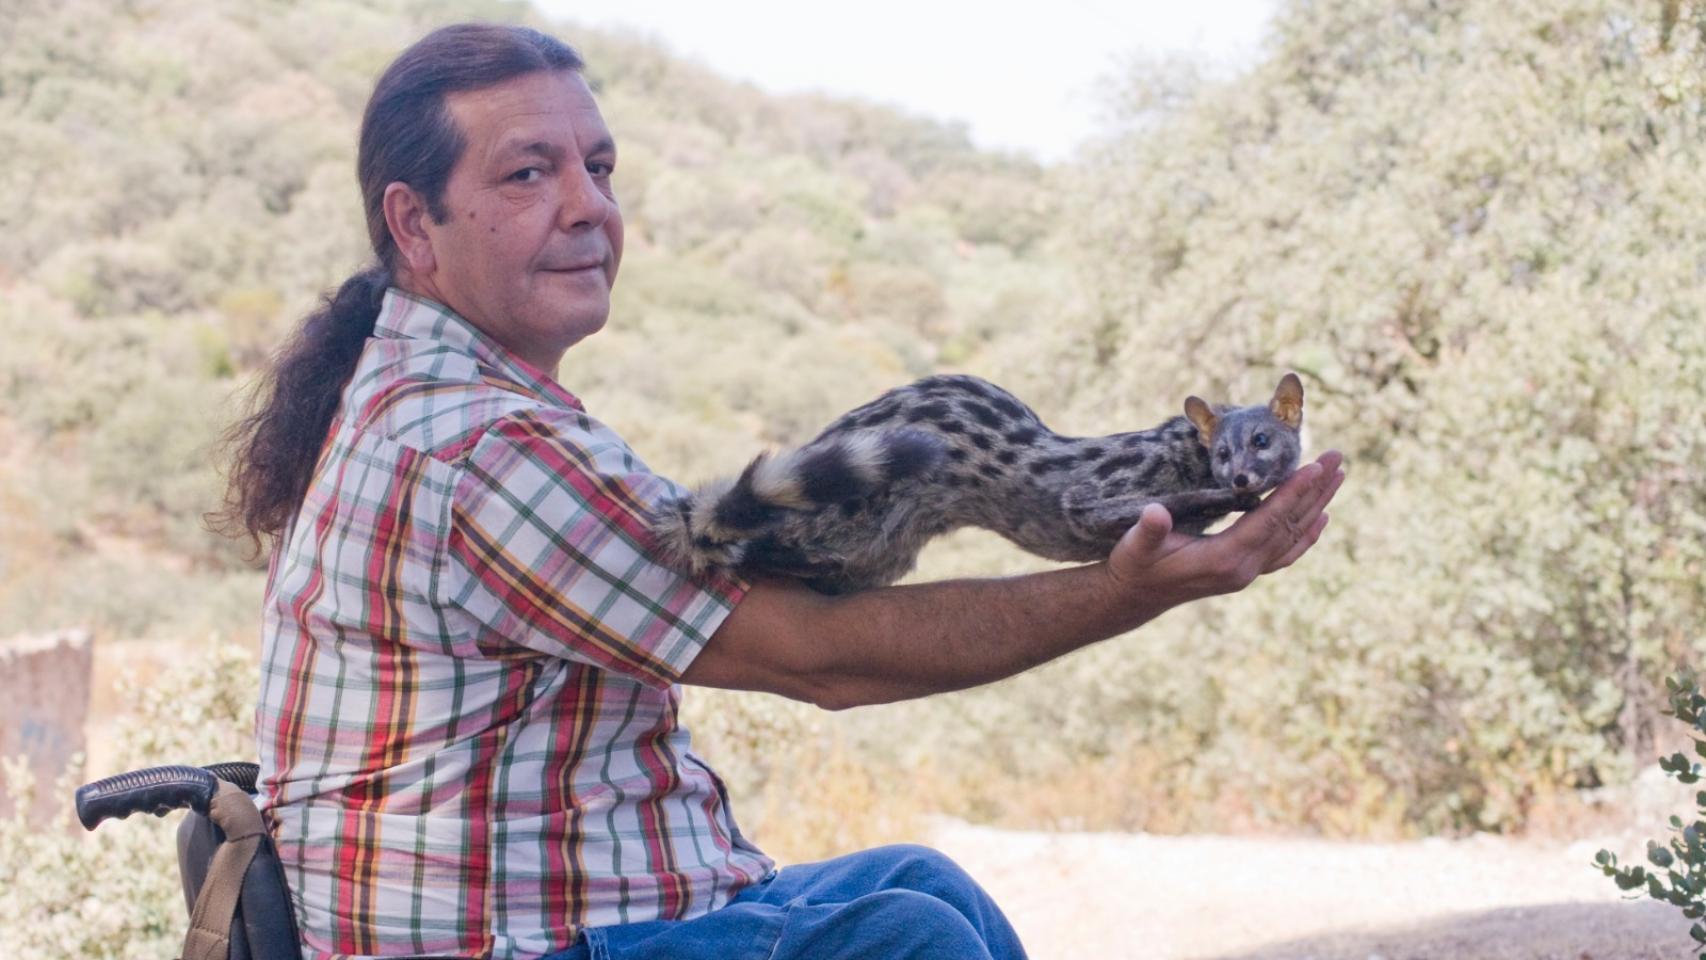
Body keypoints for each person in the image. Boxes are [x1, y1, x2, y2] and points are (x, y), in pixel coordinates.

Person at [216, 22, 1343, 960]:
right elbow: (825, 661)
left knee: (920, 883)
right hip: (495, 941)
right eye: (527, 173)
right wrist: (1128, 591)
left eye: (597, 168)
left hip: (575, 909)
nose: (586, 206)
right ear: (415, 224)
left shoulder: (454, 396)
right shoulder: (475, 445)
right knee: (910, 941)